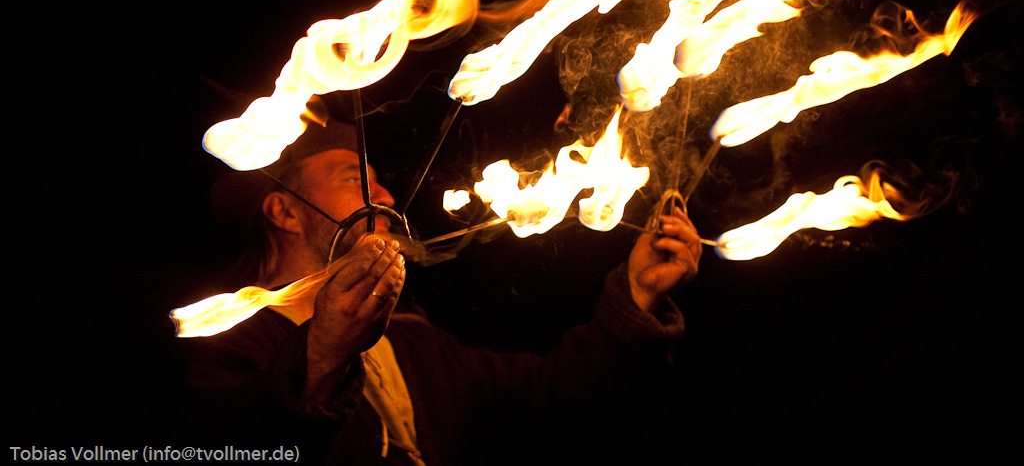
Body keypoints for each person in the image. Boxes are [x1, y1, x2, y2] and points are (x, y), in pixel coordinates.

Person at [182, 117, 703, 465]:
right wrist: (321, 356)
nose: (384, 197)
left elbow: (555, 403)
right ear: (285, 211)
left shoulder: (416, 344)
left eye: (377, 181)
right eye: (353, 180)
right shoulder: (224, 346)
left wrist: (636, 296)